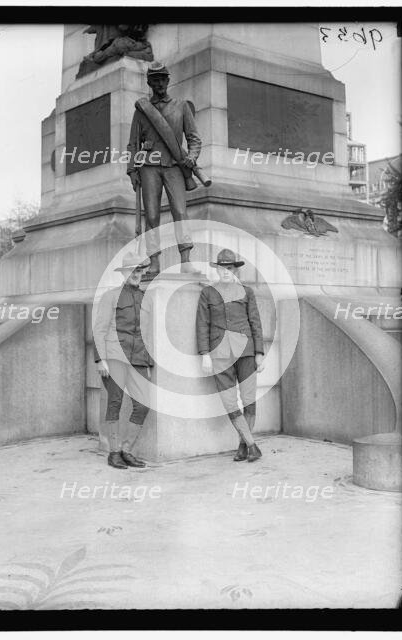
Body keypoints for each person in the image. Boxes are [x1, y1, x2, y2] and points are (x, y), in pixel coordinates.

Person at [126, 61, 202, 275]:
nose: (159, 83)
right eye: (155, 79)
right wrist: (132, 170)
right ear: (149, 82)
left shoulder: (181, 106)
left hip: (174, 167)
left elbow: (194, 138)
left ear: (168, 81)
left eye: (162, 79)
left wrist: (192, 157)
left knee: (180, 212)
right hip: (148, 168)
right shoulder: (142, 110)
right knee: (151, 216)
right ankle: (155, 261)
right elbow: (133, 143)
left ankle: (185, 259)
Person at [196, 249, 265, 462]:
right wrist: (205, 354)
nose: (226, 272)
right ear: (217, 269)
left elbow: (255, 322)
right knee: (229, 402)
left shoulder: (247, 292)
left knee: (248, 399)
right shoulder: (208, 293)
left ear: (235, 269)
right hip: (220, 354)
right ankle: (252, 444)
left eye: (230, 268)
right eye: (222, 268)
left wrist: (259, 353)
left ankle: (243, 446)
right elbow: (202, 325)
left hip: (245, 351)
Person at [93, 252, 153, 469]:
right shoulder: (110, 296)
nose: (136, 274)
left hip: (138, 358)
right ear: (125, 273)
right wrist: (100, 359)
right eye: (132, 270)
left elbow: (147, 333)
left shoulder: (145, 297)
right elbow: (99, 329)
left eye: (139, 270)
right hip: (114, 356)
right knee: (115, 402)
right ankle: (114, 452)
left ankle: (127, 450)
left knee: (143, 404)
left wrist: (149, 363)